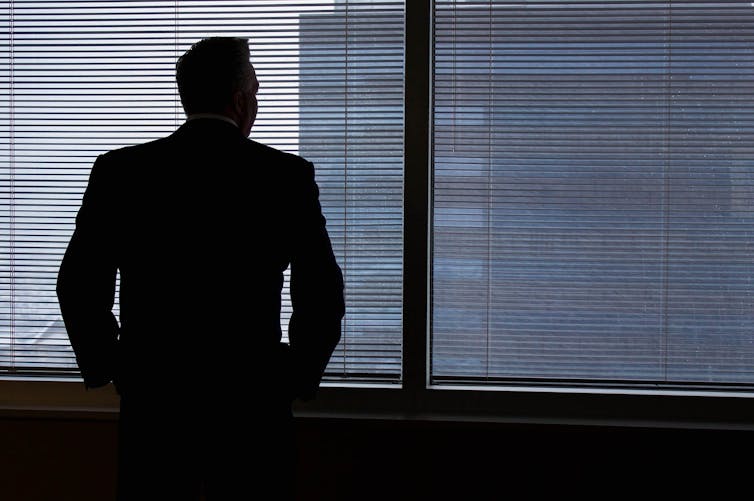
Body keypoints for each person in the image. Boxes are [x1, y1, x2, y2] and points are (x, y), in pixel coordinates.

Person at [56, 37, 345, 500]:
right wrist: (293, 377)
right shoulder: (284, 177)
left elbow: (77, 286)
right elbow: (323, 294)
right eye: (256, 89)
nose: (258, 100)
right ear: (239, 99)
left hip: (154, 402)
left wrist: (114, 367)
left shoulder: (121, 173)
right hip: (252, 404)